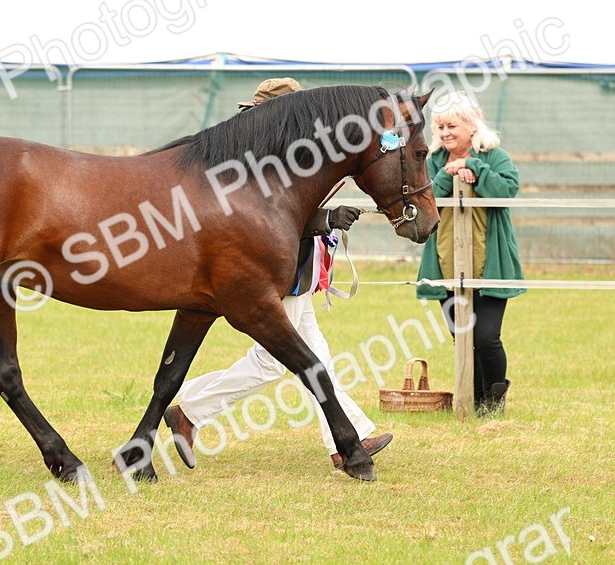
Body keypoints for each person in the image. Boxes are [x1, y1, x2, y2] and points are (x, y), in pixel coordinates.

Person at [163, 78, 394, 471]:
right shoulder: (258, 154)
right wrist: (325, 218)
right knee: (276, 361)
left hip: (293, 269)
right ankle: (190, 411)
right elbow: (265, 217)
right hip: (271, 270)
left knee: (315, 352)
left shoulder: (288, 151)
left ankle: (348, 437)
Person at [415, 90, 524, 416]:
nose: (446, 133)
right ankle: (473, 401)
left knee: (486, 337)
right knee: (462, 337)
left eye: (452, 126)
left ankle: (493, 402)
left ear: (472, 125)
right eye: (441, 127)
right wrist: (449, 175)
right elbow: (427, 198)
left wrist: (476, 168)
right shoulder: (432, 160)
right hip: (446, 262)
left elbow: (506, 192)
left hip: (489, 263)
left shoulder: (493, 155)